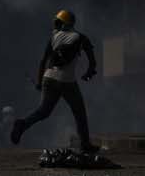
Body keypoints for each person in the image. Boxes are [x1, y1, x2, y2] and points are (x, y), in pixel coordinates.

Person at [11, 9, 99, 152]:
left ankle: (22, 124)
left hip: (49, 78)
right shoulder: (80, 38)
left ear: (61, 23)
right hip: (66, 81)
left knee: (43, 111)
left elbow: (43, 61)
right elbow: (92, 62)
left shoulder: (54, 37)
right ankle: (85, 145)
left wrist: (39, 82)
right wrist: (89, 73)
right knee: (79, 112)